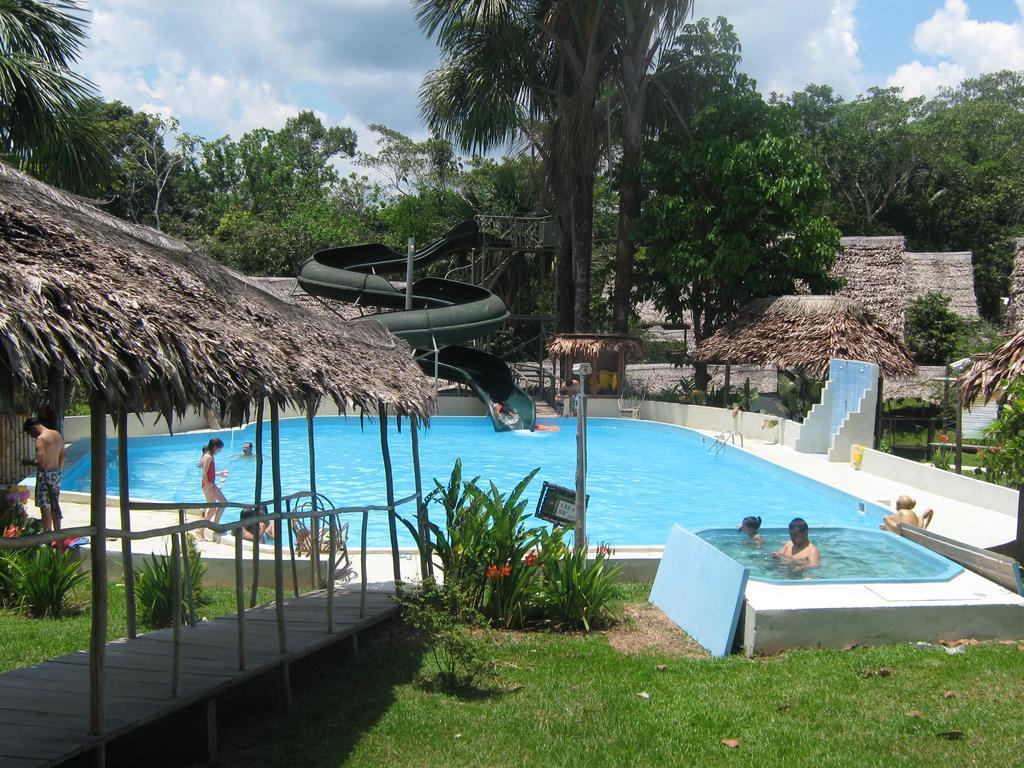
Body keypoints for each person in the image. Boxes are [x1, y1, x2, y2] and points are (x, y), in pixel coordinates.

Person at [21, 418, 66, 531]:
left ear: (33, 427)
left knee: (45, 507)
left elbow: (40, 462)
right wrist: (58, 472)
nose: (31, 436)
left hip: (45, 475)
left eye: (30, 433)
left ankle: (47, 535)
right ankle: (58, 532)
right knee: (54, 504)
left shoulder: (41, 439)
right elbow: (63, 456)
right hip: (56, 474)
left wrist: (27, 461)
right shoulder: (57, 435)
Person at [197, 438, 228, 541]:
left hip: (211, 484)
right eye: (219, 449)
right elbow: (204, 473)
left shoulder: (209, 456)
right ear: (215, 447)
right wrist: (208, 486)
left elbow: (209, 472)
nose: (219, 451)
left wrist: (219, 474)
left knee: (223, 503)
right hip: (208, 485)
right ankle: (200, 530)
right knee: (212, 510)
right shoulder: (208, 457)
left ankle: (215, 525)